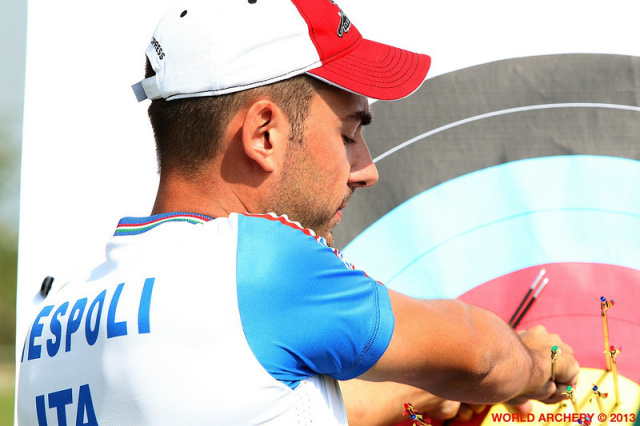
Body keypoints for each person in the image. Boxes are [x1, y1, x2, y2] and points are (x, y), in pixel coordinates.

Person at [17, 0, 580, 425]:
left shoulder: (53, 320)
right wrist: (531, 365)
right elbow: (478, 354)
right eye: (350, 132)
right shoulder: (258, 262)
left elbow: (255, 398)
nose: (366, 169)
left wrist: (415, 395)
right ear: (265, 134)